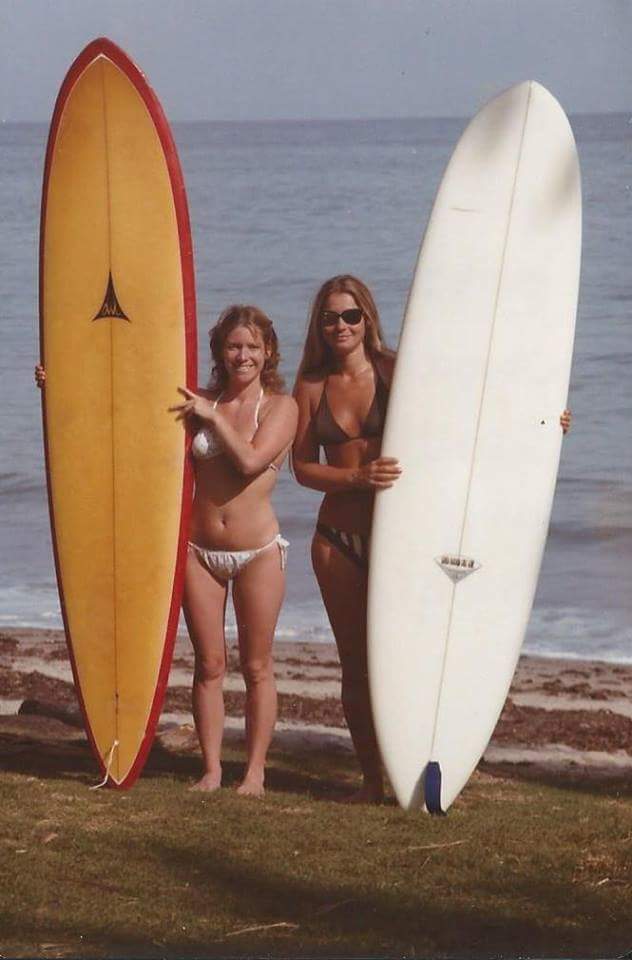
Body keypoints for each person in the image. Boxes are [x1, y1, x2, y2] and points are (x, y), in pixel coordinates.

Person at [292, 274, 572, 804]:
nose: (341, 326)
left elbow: (467, 417)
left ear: (367, 318)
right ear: (319, 324)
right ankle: (373, 779)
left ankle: (413, 768)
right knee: (354, 663)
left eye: (350, 315)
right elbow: (302, 467)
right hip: (338, 540)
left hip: (404, 539)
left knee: (407, 658)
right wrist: (353, 479)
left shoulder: (397, 370)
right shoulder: (311, 386)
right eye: (330, 317)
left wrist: (543, 422)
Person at [36, 303, 298, 798]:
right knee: (209, 665)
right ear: (221, 350)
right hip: (198, 550)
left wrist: (212, 418)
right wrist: (60, 382)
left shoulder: (281, 407)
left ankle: (256, 773)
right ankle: (213, 770)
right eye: (234, 345)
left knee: (257, 666)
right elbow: (122, 408)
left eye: (253, 347)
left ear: (268, 353)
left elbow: (250, 461)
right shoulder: (199, 399)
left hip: (257, 551)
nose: (243, 355)